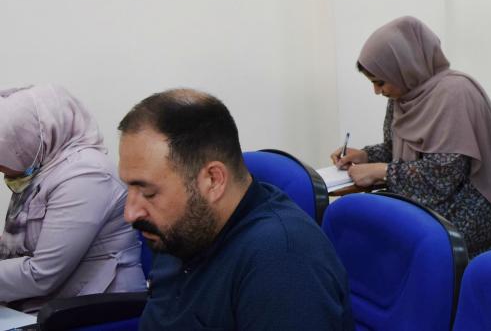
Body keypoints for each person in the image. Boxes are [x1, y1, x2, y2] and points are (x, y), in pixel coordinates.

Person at [118, 88, 354, 331]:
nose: (130, 213)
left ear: (213, 180)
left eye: (149, 193)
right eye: (129, 189)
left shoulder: (283, 262)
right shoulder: (184, 230)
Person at [331, 16, 491, 258]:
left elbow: (443, 175)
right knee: (357, 232)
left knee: (379, 241)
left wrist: (382, 171)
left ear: (404, 68)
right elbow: (395, 148)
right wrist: (365, 155)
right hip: (427, 199)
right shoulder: (404, 95)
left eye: (380, 82)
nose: (377, 91)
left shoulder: (455, 95)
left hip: (466, 206)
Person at [0, 85, 145, 313]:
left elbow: (42, 275)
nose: (1, 167)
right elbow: (26, 245)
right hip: (47, 306)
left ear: (28, 142)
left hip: (97, 312)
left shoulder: (86, 176)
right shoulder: (44, 168)